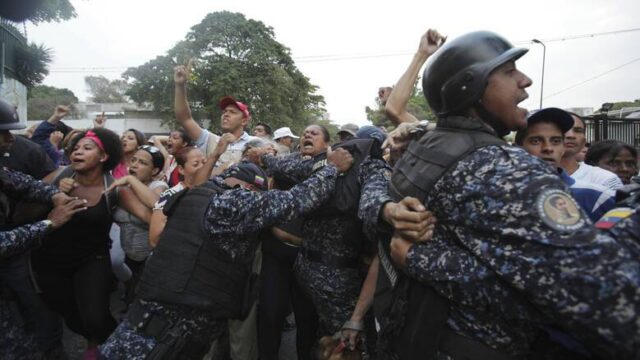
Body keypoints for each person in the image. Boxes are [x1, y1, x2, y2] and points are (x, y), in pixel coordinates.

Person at [383, 29, 640, 359]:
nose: (526, 80)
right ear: (470, 87)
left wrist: (401, 233)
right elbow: (601, 300)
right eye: (508, 72)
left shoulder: (427, 146)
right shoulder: (506, 168)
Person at [98, 149, 355, 360]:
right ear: (245, 187)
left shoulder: (193, 196)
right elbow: (297, 200)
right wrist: (330, 167)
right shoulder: (231, 202)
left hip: (148, 323)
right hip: (166, 336)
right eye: (256, 196)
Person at [249, 123, 393, 356]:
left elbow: (282, 165)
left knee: (321, 339)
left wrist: (265, 158)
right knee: (347, 345)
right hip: (335, 279)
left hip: (312, 270)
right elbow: (373, 205)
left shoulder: (326, 162)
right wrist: (388, 213)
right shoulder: (349, 165)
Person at [32, 127, 153, 358]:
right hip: (49, 263)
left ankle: (121, 349)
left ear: (103, 156)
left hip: (92, 260)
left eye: (87, 148)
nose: (78, 152)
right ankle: (93, 342)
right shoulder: (57, 176)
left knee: (96, 318)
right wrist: (51, 193)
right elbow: (24, 212)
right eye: (76, 148)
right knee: (71, 316)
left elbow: (150, 216)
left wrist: (131, 181)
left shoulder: (114, 189)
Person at [0, 167, 87, 360]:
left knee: (40, 302)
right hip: (10, 246)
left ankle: (51, 348)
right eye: (4, 135)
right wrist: (49, 224)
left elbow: (25, 183)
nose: (10, 140)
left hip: (13, 255)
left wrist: (55, 194)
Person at [514, 107, 615, 221]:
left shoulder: (597, 198)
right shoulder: (501, 192)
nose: (548, 148)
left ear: (563, 148)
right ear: (517, 149)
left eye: (556, 141)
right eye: (536, 141)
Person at [108, 145, 168, 305]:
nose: (134, 165)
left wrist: (131, 179)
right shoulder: (122, 188)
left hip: (150, 259)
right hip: (129, 256)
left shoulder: (159, 187)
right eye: (133, 160)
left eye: (142, 162)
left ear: (154, 171)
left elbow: (156, 203)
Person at [174, 61, 256, 168]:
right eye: (224, 112)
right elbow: (185, 119)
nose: (226, 114)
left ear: (244, 121)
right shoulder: (209, 140)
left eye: (232, 112)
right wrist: (180, 85)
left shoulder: (255, 143)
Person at [560, 113, 623, 191]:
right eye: (564, 129)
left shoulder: (605, 179)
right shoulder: (540, 177)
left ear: (584, 141)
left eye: (578, 130)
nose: (571, 135)